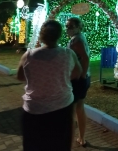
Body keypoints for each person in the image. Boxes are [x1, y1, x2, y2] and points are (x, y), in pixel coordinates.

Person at [17, 20, 82, 151]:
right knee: (60, 145)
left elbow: (20, 76)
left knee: (34, 145)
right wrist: (60, 78)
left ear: (41, 35)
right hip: (62, 108)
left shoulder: (29, 55)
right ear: (59, 34)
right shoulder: (68, 54)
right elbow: (77, 72)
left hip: (34, 109)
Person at [66, 17, 91, 147]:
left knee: (72, 111)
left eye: (70, 26)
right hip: (83, 78)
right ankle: (81, 138)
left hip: (78, 79)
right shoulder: (80, 37)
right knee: (79, 108)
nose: (67, 29)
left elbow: (85, 58)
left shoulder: (77, 40)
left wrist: (81, 75)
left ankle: (70, 141)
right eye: (66, 26)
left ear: (78, 27)